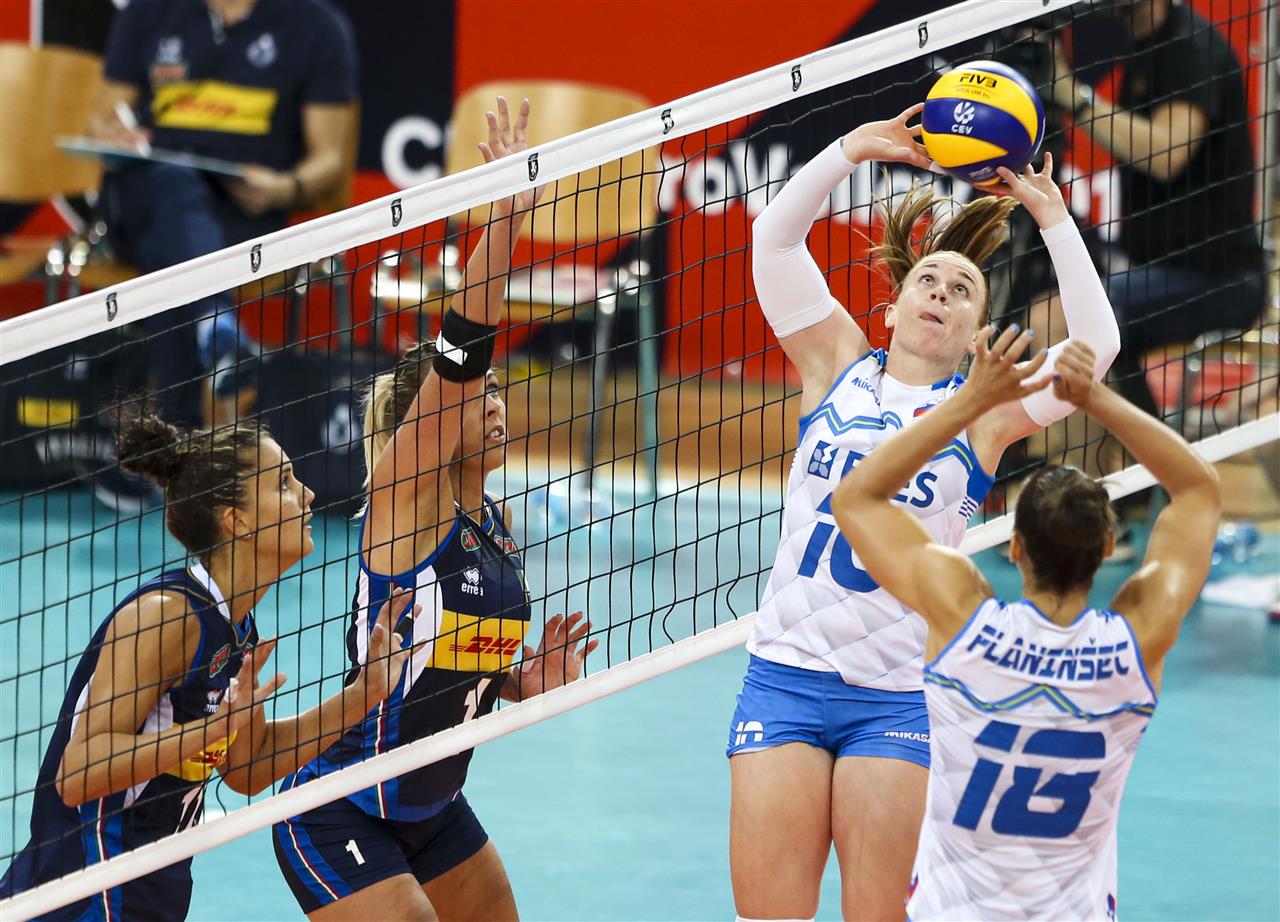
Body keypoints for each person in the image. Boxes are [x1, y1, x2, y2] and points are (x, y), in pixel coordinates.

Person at [727, 103, 1122, 921]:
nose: (941, 292)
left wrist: (1052, 215)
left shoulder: (986, 412)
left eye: (962, 289)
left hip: (897, 694)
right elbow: (773, 241)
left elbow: (1099, 345)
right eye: (928, 282)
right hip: (785, 675)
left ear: (978, 329)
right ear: (893, 308)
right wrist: (847, 151)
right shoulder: (834, 364)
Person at [272, 97, 597, 922]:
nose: (493, 403)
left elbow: (442, 663)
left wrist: (520, 682)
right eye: (477, 394)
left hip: (434, 807)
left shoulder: (493, 521)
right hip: (340, 805)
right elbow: (464, 342)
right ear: (435, 422)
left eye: (497, 391)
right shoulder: (406, 501)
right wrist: (507, 217)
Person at [832, 332, 1220, 920]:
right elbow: (1197, 491)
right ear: (1108, 546)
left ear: (1014, 549)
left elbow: (857, 497)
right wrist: (1093, 397)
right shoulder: (1135, 643)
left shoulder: (961, 621)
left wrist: (969, 400)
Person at [0, 411, 417, 921]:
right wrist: (207, 732)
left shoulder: (237, 629)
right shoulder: (164, 617)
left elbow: (248, 765)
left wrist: (364, 694)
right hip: (83, 890)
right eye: (284, 483)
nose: (307, 494)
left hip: (152, 885)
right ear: (237, 520)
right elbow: (78, 774)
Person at [87, 0, 358, 429]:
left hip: (243, 213)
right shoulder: (147, 12)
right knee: (172, 185)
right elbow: (100, 122)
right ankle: (214, 326)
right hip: (141, 198)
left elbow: (329, 159)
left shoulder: (317, 26)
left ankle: (181, 427)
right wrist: (112, 135)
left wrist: (285, 188)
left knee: (170, 252)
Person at [1035, 0, 1266, 425]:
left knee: (1068, 319)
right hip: (1161, 268)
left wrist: (1072, 96)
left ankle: (1138, 459)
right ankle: (1134, 460)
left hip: (1219, 278)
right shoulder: (1144, 45)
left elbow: (1166, 154)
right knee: (1072, 314)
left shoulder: (1190, 46)